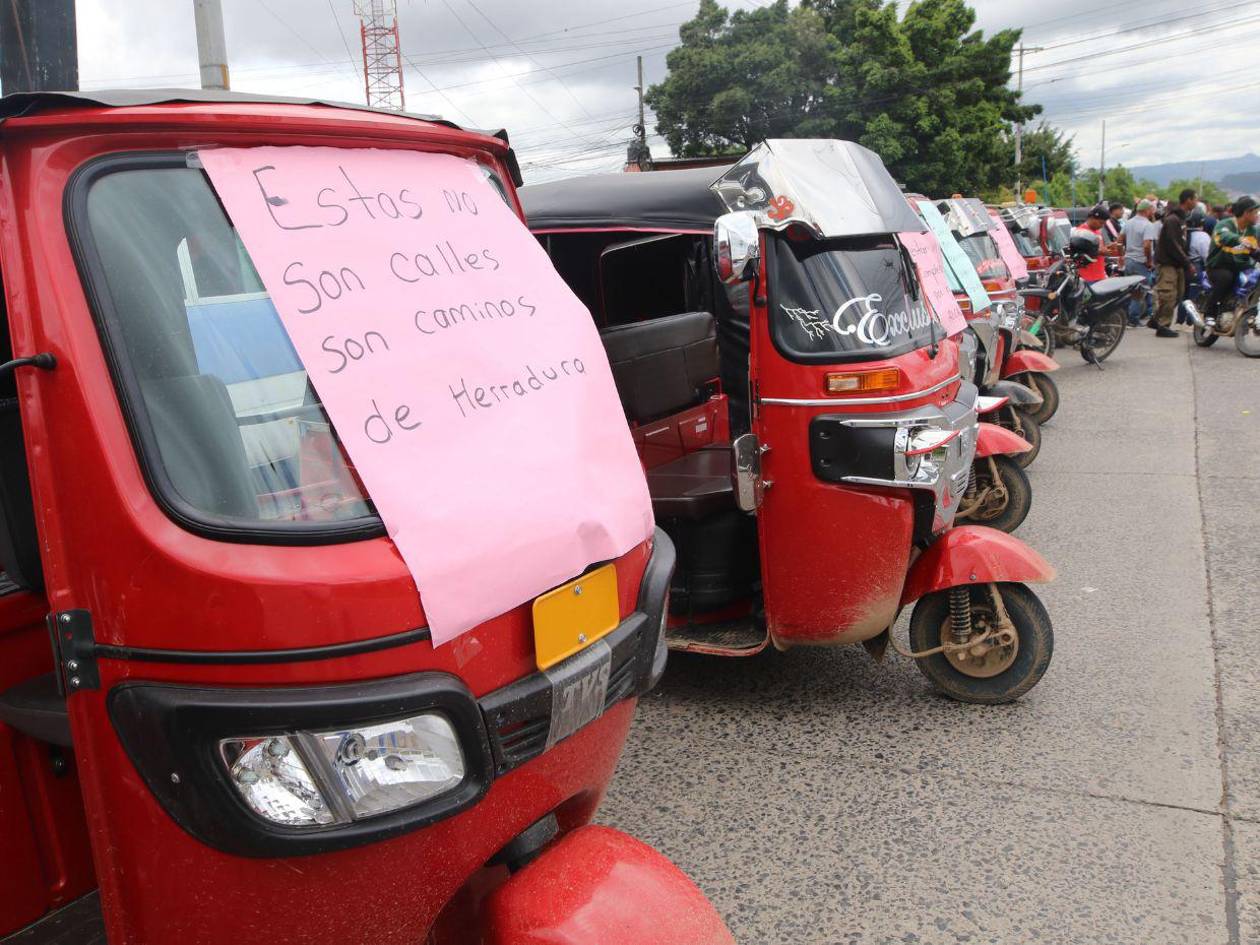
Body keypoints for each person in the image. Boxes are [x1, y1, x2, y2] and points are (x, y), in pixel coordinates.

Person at [1202, 195, 1260, 328]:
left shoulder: (1251, 230)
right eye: (1255, 213)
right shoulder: (1225, 224)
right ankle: (1209, 313)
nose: (1257, 216)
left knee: (1252, 280)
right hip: (1218, 267)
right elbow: (1223, 236)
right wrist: (1239, 239)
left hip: (1240, 267)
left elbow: (1253, 251)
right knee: (1226, 278)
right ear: (1246, 213)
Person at [1150, 188, 1197, 337]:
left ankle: (1156, 319)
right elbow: (1173, 244)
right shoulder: (1172, 220)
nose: (1196, 202)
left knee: (1179, 294)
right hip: (1167, 263)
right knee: (1168, 294)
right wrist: (1187, 262)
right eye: (1195, 199)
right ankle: (1163, 325)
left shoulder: (1181, 219)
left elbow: (1181, 243)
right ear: (1188, 200)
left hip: (1177, 264)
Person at [1123, 199, 1156, 324]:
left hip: (1128, 260)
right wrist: (1149, 261)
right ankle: (1133, 319)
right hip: (1140, 262)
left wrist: (1123, 256)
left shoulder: (1128, 223)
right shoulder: (1148, 225)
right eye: (1151, 210)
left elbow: (1120, 239)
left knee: (1130, 290)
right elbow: (1147, 245)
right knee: (1139, 292)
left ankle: (1126, 317)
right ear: (1147, 210)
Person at [1072, 206, 1122, 282]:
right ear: (1092, 218)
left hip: (1099, 275)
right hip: (1088, 277)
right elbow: (1078, 253)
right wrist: (1100, 252)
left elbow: (1097, 248)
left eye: (1103, 224)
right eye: (1100, 223)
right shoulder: (1081, 232)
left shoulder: (1097, 232)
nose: (1101, 226)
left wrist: (1108, 247)